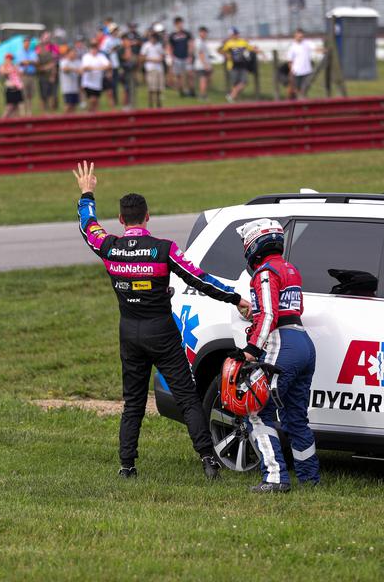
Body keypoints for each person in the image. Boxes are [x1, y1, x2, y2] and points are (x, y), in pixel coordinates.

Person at [72, 161, 250, 480]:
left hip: (129, 332)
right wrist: (236, 298)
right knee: (187, 397)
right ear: (148, 217)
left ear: (122, 220)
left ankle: (127, 467)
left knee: (133, 403)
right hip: (163, 333)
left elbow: (88, 226)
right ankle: (209, 461)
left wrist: (87, 193)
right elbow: (201, 280)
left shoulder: (109, 246)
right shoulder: (162, 249)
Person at [235, 218, 318, 493]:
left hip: (282, 343)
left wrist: (251, 350)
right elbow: (285, 308)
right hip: (304, 343)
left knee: (256, 409)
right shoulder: (290, 268)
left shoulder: (265, 272)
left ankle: (274, 477)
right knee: (296, 415)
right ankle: (309, 478)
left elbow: (269, 314)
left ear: (253, 244)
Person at [220, 27, 255, 103]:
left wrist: (258, 50)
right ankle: (233, 97)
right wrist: (226, 55)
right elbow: (221, 51)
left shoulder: (243, 42)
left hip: (242, 65)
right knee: (235, 83)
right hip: (232, 65)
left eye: (236, 34)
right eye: (234, 34)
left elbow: (251, 48)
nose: (236, 35)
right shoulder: (228, 43)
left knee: (244, 81)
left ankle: (231, 96)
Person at [167, 17, 195, 97]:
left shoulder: (187, 34)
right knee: (178, 76)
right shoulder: (172, 35)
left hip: (186, 57)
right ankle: (181, 91)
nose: (180, 25)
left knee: (190, 74)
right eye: (179, 23)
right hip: (177, 58)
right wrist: (171, 57)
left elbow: (190, 45)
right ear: (175, 24)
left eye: (181, 23)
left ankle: (192, 91)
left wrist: (190, 56)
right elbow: (170, 47)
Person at [285, 28, 315, 99]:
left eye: (302, 36)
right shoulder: (292, 47)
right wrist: (291, 70)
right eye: (299, 36)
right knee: (296, 89)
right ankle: (295, 102)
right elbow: (290, 60)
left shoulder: (307, 43)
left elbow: (315, 48)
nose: (300, 38)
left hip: (307, 71)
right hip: (296, 72)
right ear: (295, 36)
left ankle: (303, 102)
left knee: (304, 89)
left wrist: (323, 50)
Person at [80, 44, 110, 112]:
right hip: (88, 82)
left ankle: (92, 114)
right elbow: (86, 67)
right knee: (92, 99)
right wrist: (99, 68)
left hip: (97, 82)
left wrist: (96, 68)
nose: (94, 51)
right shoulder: (86, 57)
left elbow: (108, 65)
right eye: (92, 49)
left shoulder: (101, 56)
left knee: (96, 101)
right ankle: (88, 112)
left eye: (95, 49)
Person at [139, 31, 166, 109]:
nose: (153, 39)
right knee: (151, 88)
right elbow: (142, 57)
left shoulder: (159, 45)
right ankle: (150, 105)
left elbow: (162, 56)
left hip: (159, 69)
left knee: (158, 88)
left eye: (155, 38)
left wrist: (160, 59)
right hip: (150, 68)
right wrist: (152, 59)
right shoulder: (146, 46)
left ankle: (158, 104)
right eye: (152, 38)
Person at [35, 32, 60, 113]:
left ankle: (52, 110)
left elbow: (55, 62)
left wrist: (52, 73)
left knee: (53, 95)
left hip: (52, 75)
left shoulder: (54, 47)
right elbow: (37, 63)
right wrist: (43, 68)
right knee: (43, 95)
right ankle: (44, 111)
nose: (47, 39)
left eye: (48, 37)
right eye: (45, 38)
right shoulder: (38, 48)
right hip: (42, 76)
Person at [16, 37, 38, 116]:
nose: (27, 44)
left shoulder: (32, 52)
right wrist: (29, 62)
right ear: (23, 43)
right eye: (25, 42)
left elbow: (35, 62)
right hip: (23, 75)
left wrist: (27, 62)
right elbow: (20, 63)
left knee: (30, 94)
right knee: (23, 94)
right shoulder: (19, 52)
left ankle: (29, 111)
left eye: (28, 43)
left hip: (31, 75)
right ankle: (22, 112)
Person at [0, 52, 24, 118]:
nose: (10, 60)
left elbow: (19, 73)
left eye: (11, 59)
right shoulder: (3, 66)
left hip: (17, 87)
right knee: (9, 106)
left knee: (17, 106)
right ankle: (2, 120)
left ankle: (14, 121)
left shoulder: (14, 66)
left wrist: (17, 70)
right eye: (8, 58)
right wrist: (10, 70)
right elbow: (3, 73)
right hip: (9, 88)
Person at [59, 47, 81, 114]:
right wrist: (75, 69)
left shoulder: (77, 62)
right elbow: (65, 69)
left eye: (75, 53)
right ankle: (64, 121)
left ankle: (72, 122)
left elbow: (81, 70)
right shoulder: (64, 61)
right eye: (72, 53)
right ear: (68, 54)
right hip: (67, 88)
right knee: (68, 105)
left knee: (74, 106)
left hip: (75, 88)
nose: (74, 55)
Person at [193, 26, 212, 100]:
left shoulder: (203, 41)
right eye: (203, 32)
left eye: (205, 32)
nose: (205, 34)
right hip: (201, 65)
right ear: (200, 32)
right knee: (203, 80)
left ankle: (203, 94)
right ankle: (202, 95)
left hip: (203, 64)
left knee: (205, 80)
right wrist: (205, 64)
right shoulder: (199, 42)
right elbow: (200, 53)